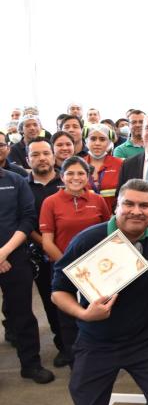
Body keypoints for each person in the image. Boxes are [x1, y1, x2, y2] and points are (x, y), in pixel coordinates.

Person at [52, 179, 148, 405]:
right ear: (115, 207)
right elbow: (58, 291)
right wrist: (84, 314)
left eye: (144, 206)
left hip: (145, 341)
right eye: (128, 204)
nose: (136, 211)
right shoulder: (87, 240)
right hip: (96, 342)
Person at [40, 156, 112, 364]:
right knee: (69, 321)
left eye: (81, 173)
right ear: (62, 176)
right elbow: (47, 243)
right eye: (70, 173)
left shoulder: (97, 200)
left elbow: (107, 234)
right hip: (65, 271)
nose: (76, 177)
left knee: (99, 316)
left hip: (97, 272)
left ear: (88, 177)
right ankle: (76, 362)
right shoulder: (50, 202)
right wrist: (71, 269)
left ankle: (101, 360)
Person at [0, 142, 55, 384]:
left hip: (15, 255)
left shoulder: (16, 179)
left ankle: (30, 364)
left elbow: (28, 218)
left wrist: (5, 251)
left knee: (22, 313)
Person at [25, 139, 66, 366]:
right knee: (51, 300)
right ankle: (62, 344)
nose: (42, 158)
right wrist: (46, 246)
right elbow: (26, 222)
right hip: (41, 255)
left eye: (46, 153)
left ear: (53, 156)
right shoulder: (24, 186)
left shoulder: (68, 180)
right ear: (27, 159)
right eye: (36, 154)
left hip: (71, 252)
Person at [83, 124, 123, 212]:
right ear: (86, 141)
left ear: (109, 142)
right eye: (93, 139)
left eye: (102, 139)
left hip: (113, 218)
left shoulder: (120, 164)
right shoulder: (78, 165)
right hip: (85, 218)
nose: (97, 143)